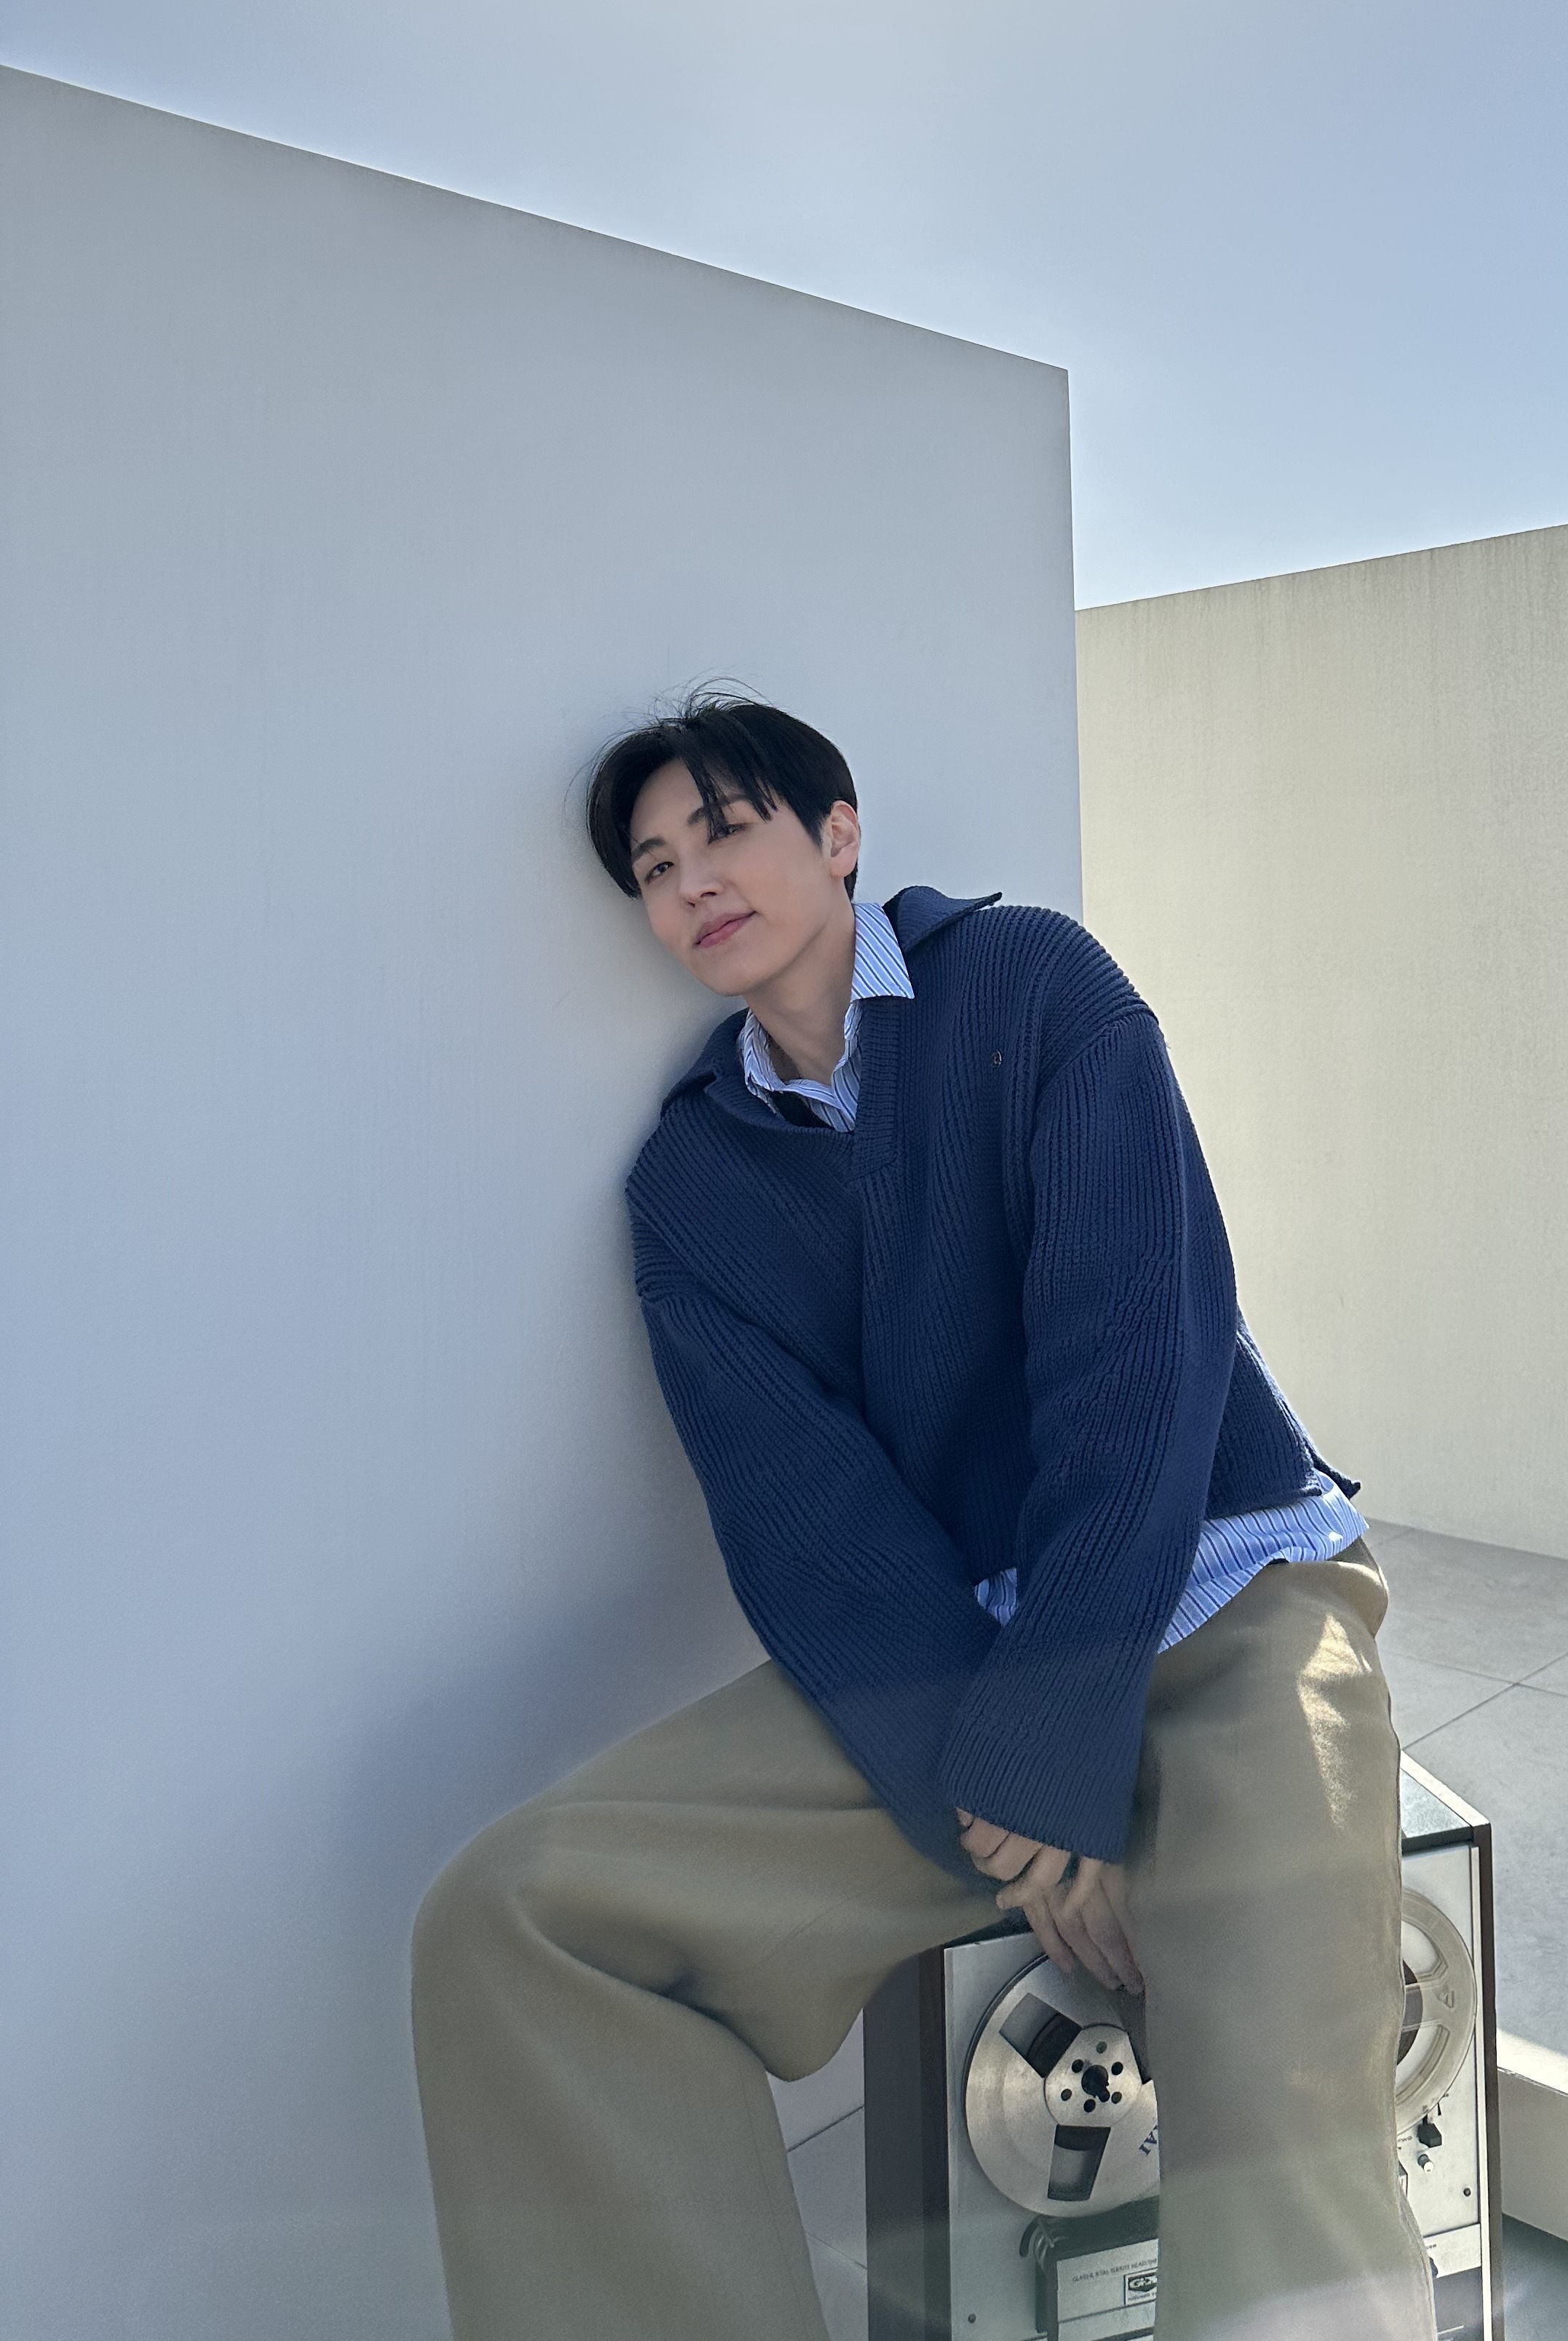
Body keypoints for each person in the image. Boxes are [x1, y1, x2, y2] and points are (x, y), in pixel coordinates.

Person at [410, 689, 1434, 2341]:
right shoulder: (690, 1190)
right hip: (956, 1679)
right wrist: (1011, 1806)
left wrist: (1056, 1742)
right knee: (522, 1917)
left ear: (839, 835)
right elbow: (810, 1531)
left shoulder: (1033, 986)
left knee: (1284, 2117)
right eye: (655, 869)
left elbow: (1137, 1358)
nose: (691, 881)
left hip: (1230, 1596)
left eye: (725, 829)